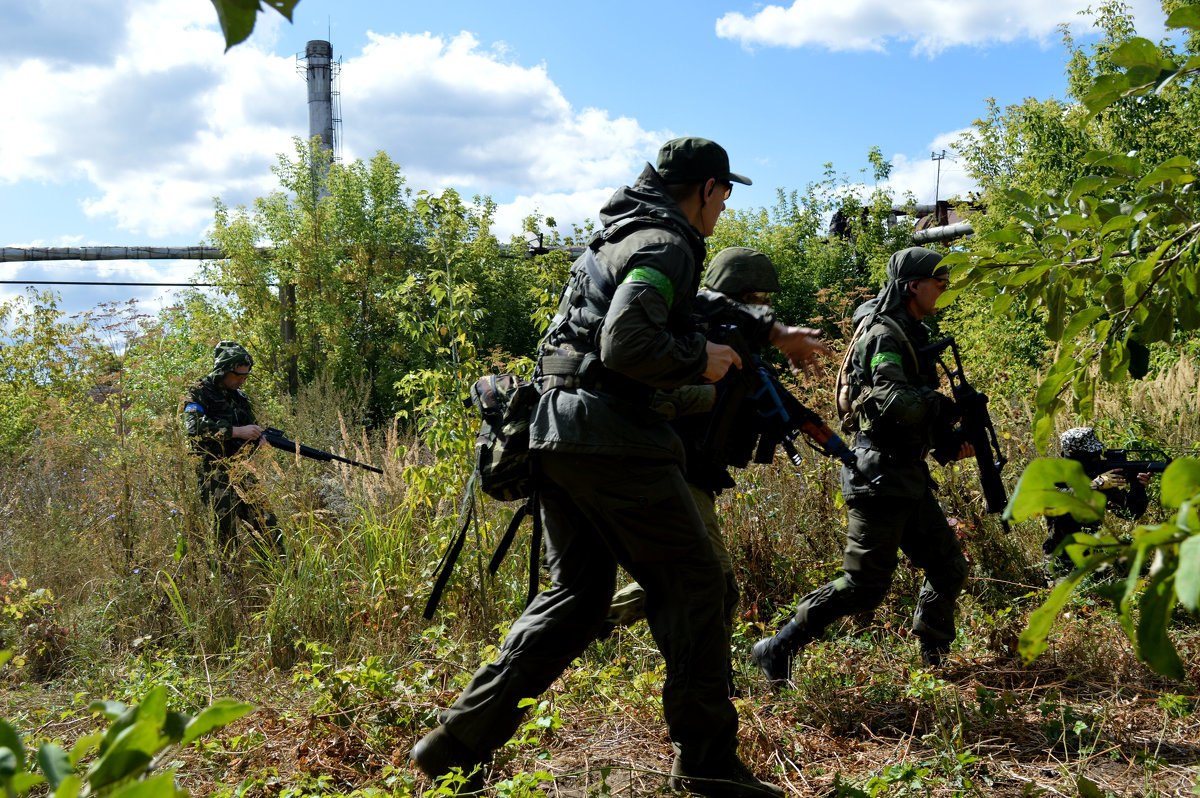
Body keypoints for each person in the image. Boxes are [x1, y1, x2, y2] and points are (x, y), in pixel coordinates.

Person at [410, 139, 785, 798]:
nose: (724, 206)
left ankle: (456, 745)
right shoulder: (665, 246)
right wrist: (702, 360)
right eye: (725, 192)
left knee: (578, 600)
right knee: (696, 584)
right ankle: (707, 766)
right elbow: (627, 341)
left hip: (557, 433)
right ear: (705, 188)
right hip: (613, 437)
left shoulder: (614, 239)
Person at [604, 247, 831, 692]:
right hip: (665, 471)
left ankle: (587, 620)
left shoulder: (739, 349)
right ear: (737, 296)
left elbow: (786, 409)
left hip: (690, 476)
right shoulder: (688, 337)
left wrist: (839, 448)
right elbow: (653, 399)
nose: (764, 305)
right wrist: (709, 394)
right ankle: (711, 684)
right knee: (715, 582)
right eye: (757, 296)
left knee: (685, 579)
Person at [751, 246, 974, 684]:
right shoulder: (884, 335)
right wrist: (941, 405)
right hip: (878, 476)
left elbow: (911, 412)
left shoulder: (910, 332)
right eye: (939, 284)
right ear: (913, 285)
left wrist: (949, 442)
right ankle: (776, 647)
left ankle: (934, 665)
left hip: (906, 474)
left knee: (949, 567)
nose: (944, 292)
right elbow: (889, 402)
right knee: (863, 586)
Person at [183, 340, 279, 555]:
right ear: (223, 369)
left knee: (269, 527)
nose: (242, 380)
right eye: (237, 375)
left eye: (246, 376)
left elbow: (249, 431)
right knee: (224, 536)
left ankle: (280, 576)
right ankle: (230, 584)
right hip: (214, 474)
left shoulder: (241, 398)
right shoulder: (199, 392)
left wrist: (258, 440)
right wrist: (236, 431)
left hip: (243, 469)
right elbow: (194, 427)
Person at [1042, 426, 1150, 576]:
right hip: (1061, 563)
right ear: (1073, 453)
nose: (1098, 457)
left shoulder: (1097, 478)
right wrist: (1095, 485)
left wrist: (1137, 487)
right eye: (1092, 453)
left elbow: (1129, 512)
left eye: (1098, 452)